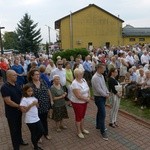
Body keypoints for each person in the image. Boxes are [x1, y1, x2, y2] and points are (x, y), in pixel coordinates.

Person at [0, 70, 28, 150]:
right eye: (14, 75)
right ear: (8, 76)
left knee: (19, 127)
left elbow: (21, 95)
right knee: (13, 130)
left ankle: (20, 141)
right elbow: (8, 101)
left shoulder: (17, 84)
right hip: (11, 113)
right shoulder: (4, 87)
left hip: (18, 111)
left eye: (16, 75)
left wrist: (24, 103)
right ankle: (16, 147)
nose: (16, 76)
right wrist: (19, 106)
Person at [28, 69, 52, 140]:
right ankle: (38, 135)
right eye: (36, 74)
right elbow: (26, 97)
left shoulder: (43, 81)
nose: (38, 75)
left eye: (38, 74)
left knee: (44, 120)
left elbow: (48, 90)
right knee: (37, 122)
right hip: (35, 107)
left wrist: (51, 100)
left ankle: (46, 133)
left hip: (45, 105)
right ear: (32, 76)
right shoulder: (29, 85)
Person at [20, 84, 44, 150]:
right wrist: (31, 105)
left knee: (41, 131)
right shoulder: (24, 99)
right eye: (29, 91)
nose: (30, 92)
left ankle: (34, 143)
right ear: (25, 91)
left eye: (31, 91)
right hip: (30, 119)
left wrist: (37, 104)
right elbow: (24, 111)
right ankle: (35, 147)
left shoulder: (33, 97)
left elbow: (37, 106)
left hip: (36, 118)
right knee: (33, 133)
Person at [70, 68, 90, 139]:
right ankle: (79, 131)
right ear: (77, 75)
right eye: (81, 74)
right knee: (78, 117)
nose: (82, 74)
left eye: (82, 73)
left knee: (82, 116)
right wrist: (87, 99)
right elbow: (78, 96)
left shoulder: (83, 80)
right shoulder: (75, 83)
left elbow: (88, 88)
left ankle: (82, 129)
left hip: (84, 102)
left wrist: (89, 96)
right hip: (77, 103)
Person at [91, 64, 109, 141]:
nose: (104, 70)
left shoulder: (101, 75)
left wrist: (107, 92)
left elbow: (104, 86)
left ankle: (98, 125)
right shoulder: (95, 78)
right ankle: (102, 131)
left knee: (100, 112)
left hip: (103, 97)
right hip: (99, 98)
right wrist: (105, 95)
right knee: (103, 114)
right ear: (98, 68)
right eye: (103, 69)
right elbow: (98, 89)